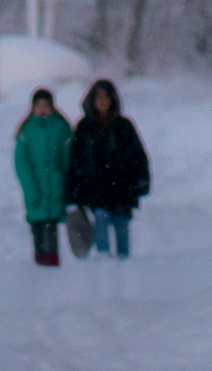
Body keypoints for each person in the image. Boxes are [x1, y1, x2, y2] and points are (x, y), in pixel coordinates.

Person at [64, 79, 150, 260]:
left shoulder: (124, 126)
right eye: (98, 97)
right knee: (100, 233)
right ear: (91, 100)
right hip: (96, 192)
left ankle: (123, 273)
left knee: (122, 238)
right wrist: (73, 190)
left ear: (113, 100)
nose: (102, 101)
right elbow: (75, 161)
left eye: (106, 97)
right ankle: (103, 273)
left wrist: (140, 182)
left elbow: (138, 157)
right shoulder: (84, 128)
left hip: (122, 192)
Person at [14, 88, 71, 267]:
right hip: (35, 191)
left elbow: (66, 159)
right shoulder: (26, 131)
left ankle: (53, 264)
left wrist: (63, 184)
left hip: (54, 189)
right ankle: (40, 265)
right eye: (38, 105)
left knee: (52, 230)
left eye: (46, 105)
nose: (42, 109)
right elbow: (22, 164)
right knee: (38, 230)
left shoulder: (61, 128)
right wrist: (31, 190)